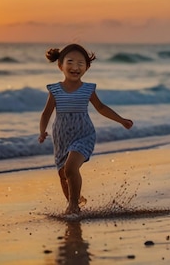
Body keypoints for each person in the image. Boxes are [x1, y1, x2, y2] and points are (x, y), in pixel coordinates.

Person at [39, 43, 133, 215]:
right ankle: (74, 201)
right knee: (63, 175)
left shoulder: (88, 89)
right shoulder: (54, 90)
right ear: (60, 65)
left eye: (81, 63)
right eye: (70, 62)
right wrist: (42, 131)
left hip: (84, 135)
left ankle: (73, 206)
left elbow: (101, 108)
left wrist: (121, 120)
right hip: (61, 137)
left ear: (87, 67)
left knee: (70, 168)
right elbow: (46, 114)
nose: (75, 67)